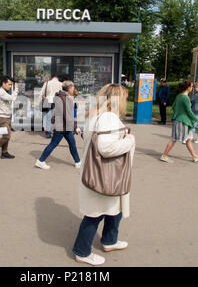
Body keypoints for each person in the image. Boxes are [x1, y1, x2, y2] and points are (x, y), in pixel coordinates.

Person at [72, 84, 135, 266]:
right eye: (124, 97)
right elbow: (105, 148)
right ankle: (82, 251)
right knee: (95, 214)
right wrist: (130, 141)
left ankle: (110, 240)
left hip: (98, 172)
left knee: (114, 210)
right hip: (106, 174)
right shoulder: (108, 117)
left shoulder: (95, 115)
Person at [35, 81, 82, 170]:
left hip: (64, 126)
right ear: (70, 88)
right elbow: (67, 114)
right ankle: (40, 161)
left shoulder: (62, 96)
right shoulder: (64, 98)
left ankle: (78, 162)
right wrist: (75, 127)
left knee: (72, 144)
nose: (74, 89)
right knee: (53, 144)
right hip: (61, 126)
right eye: (73, 87)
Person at [160, 80, 198, 163]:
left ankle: (195, 156)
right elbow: (189, 111)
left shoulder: (179, 96)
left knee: (187, 139)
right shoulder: (185, 98)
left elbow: (173, 107)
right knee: (174, 139)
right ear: (188, 88)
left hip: (180, 120)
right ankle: (164, 155)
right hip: (183, 121)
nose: (192, 88)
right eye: (191, 86)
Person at [0, 76, 18, 160]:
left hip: (7, 117)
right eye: (9, 84)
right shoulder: (0, 92)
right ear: (3, 83)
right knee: (7, 136)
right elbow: (12, 98)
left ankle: (4, 152)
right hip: (2, 118)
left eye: (11, 85)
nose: (10, 86)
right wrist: (16, 89)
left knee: (6, 135)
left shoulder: (4, 91)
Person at [39, 74, 63, 138]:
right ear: (57, 78)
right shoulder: (61, 84)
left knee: (48, 117)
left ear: (52, 78)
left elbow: (42, 93)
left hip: (48, 101)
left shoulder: (47, 83)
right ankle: (57, 132)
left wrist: (45, 98)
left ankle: (48, 133)